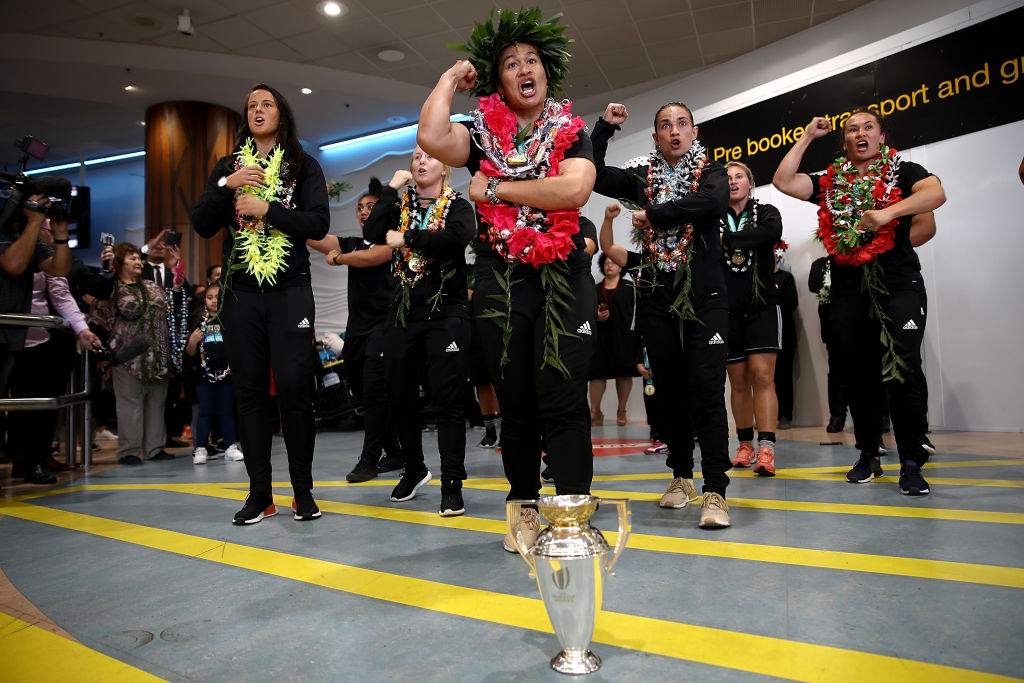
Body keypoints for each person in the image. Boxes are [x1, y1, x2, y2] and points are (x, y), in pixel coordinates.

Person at [418, 7, 597, 550]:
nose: (524, 68)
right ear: (498, 83)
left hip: (562, 273)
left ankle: (569, 508)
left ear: (546, 74)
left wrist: (493, 190)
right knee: (515, 397)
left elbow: (572, 193)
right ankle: (522, 506)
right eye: (511, 63)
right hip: (501, 274)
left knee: (562, 390)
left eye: (533, 60)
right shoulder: (479, 137)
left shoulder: (572, 131)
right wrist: (450, 78)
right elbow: (430, 135)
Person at [773, 109, 945, 495]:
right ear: (845, 142)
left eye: (869, 127)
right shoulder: (831, 183)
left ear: (882, 137)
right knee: (858, 373)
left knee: (902, 370)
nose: (860, 133)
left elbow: (936, 193)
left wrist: (888, 213)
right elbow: (783, 180)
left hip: (898, 284)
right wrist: (806, 136)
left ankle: (911, 460)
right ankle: (868, 452)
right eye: (852, 130)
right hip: (850, 288)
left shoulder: (903, 170)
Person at [191, 83, 330, 524]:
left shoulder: (302, 166)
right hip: (241, 294)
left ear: (281, 114)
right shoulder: (228, 166)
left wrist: (267, 208)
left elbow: (317, 221)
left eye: (266, 103)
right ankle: (259, 495)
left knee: (293, 387)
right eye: (251, 105)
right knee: (248, 392)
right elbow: (201, 223)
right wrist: (226, 184)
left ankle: (302, 491)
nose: (257, 109)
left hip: (291, 289)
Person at [591, 101, 732, 528]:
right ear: (655, 138)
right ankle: (681, 477)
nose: (674, 131)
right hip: (657, 295)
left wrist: (653, 214)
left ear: (694, 132)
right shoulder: (642, 177)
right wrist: (603, 128)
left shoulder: (712, 172)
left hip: (703, 296)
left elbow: (708, 204)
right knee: (667, 391)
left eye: (682, 124)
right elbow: (593, 172)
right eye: (665, 126)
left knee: (706, 389)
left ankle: (715, 491)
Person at [363, 148, 475, 516]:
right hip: (404, 313)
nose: (420, 163)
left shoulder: (458, 205)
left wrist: (408, 238)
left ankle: (452, 484)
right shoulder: (399, 203)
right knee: (399, 395)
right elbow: (371, 231)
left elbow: (456, 239)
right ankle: (413, 468)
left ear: (445, 167)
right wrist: (391, 189)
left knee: (448, 401)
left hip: (447, 314)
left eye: (428, 157)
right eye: (414, 158)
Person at [311, 179, 403, 481]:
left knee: (376, 390)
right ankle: (395, 451)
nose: (364, 212)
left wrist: (337, 259)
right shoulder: (352, 242)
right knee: (364, 394)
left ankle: (368, 459)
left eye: (371, 207)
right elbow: (314, 237)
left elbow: (371, 258)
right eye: (360, 208)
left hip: (386, 326)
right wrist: (302, 208)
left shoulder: (394, 241)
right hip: (357, 331)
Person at [6, 219, 102, 483]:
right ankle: (18, 457)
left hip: (36, 337)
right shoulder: (8, 245)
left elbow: (61, 295)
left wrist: (82, 328)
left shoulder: (49, 260)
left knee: (39, 404)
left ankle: (35, 460)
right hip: (5, 336)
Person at [718, 162, 783, 476]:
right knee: (738, 381)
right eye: (727, 177)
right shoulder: (714, 216)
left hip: (761, 305)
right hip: (726, 309)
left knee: (762, 377)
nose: (732, 181)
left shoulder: (766, 211)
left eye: (739, 176)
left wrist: (729, 241)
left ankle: (766, 448)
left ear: (750, 182)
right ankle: (744, 445)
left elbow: (770, 233)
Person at [89, 243, 177, 465]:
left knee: (157, 401)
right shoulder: (112, 290)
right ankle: (129, 450)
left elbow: (172, 312)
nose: (138, 261)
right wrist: (100, 357)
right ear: (119, 264)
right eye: (131, 258)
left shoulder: (152, 286)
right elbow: (98, 321)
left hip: (158, 354)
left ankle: (155, 448)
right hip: (127, 355)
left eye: (138, 258)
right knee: (130, 404)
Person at [0, 192, 72, 393]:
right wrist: (34, 221)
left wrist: (60, 235)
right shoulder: (7, 231)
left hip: (12, 333)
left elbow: (59, 269)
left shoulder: (27, 234)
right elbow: (14, 264)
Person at [589, 208, 637, 428]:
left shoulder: (631, 287)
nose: (610, 264)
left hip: (623, 336)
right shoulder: (595, 288)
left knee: (623, 373)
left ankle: (621, 410)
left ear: (621, 264)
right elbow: (587, 311)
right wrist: (596, 316)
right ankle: (595, 411)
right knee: (596, 375)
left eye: (614, 261)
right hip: (600, 337)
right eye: (606, 262)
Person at [185, 282, 242, 464]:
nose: (214, 301)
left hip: (226, 375)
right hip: (204, 376)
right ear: (204, 300)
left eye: (218, 297)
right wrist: (192, 342)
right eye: (210, 297)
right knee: (205, 412)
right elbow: (190, 352)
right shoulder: (198, 322)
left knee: (226, 411)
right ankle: (201, 447)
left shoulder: (230, 321)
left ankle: (230, 446)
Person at [773, 241, 798, 430]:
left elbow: (790, 303)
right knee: (765, 376)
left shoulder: (786, 278)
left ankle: (785, 415)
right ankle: (768, 414)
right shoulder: (759, 278)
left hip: (785, 334)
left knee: (783, 376)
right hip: (765, 334)